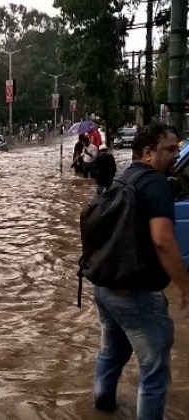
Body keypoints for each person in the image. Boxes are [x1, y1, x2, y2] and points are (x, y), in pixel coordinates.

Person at [89, 122, 189, 419]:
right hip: (136, 294)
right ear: (147, 152)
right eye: (170, 149)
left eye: (178, 149)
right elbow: (162, 240)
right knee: (154, 371)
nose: (176, 155)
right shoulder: (156, 184)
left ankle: (102, 404)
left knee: (112, 352)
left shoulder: (123, 178)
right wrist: (186, 285)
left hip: (105, 287)